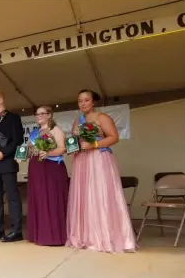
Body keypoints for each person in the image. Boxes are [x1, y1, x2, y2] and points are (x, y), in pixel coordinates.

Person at [66, 89, 136, 253]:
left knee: (100, 194)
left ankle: (105, 236)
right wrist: (74, 148)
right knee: (84, 196)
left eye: (86, 100)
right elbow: (75, 140)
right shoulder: (77, 121)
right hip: (82, 160)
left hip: (98, 158)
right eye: (80, 101)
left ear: (93, 102)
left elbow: (114, 137)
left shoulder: (102, 118)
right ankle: (86, 235)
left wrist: (95, 144)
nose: (83, 104)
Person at [0, 90, 25, 243]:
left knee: (13, 198)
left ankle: (16, 230)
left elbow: (17, 140)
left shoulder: (14, 118)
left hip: (7, 163)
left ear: (0, 100)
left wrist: (3, 153)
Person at [25, 106, 69, 246]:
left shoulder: (56, 130)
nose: (38, 116)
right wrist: (25, 153)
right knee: (39, 199)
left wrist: (48, 153)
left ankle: (53, 236)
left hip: (51, 168)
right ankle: (39, 233)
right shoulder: (34, 133)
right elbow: (31, 150)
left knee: (51, 198)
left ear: (49, 115)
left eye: (42, 114)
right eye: (37, 114)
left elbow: (63, 148)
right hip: (36, 168)